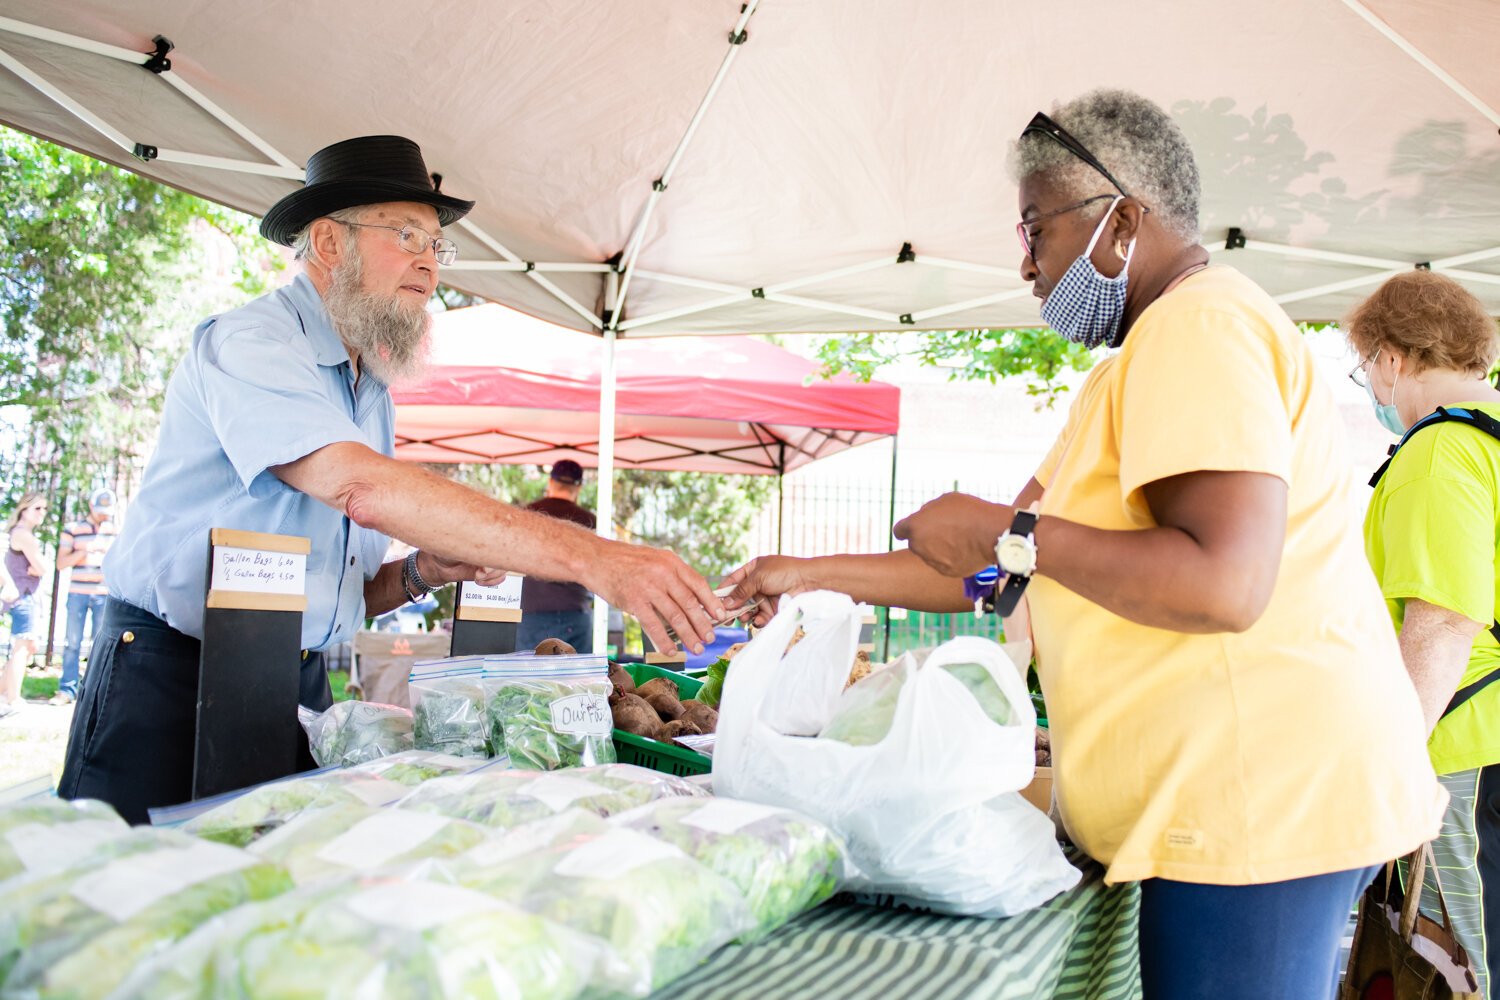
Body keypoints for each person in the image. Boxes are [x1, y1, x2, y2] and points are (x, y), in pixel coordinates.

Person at [725, 90, 1445, 998]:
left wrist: (1009, 533)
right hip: (1225, 804)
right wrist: (807, 574)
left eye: (1037, 229)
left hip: (1257, 806)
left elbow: (1224, 584)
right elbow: (996, 573)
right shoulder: (1132, 367)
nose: (1025, 264)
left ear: (1121, 223)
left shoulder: (1201, 326)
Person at [59, 135, 723, 824]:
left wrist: (422, 572)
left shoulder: (367, 387)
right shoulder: (252, 344)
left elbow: (332, 591)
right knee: (120, 902)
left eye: (439, 247)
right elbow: (363, 489)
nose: (430, 267)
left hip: (293, 680)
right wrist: (594, 558)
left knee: (270, 902)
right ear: (327, 242)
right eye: (409, 236)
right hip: (172, 678)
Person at [1347, 270, 1500, 994]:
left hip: (1458, 750)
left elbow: (1441, 622)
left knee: (1449, 966)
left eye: (1365, 368)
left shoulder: (1442, 452)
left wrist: (1390, 762)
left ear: (1392, 358)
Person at [518, 460, 597, 652]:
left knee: (527, 680)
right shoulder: (588, 520)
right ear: (578, 487)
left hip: (531, 612)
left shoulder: (529, 513)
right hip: (574, 610)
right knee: (579, 680)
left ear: (551, 482)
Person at [52, 487, 118, 706]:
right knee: (72, 643)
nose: (103, 515)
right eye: (101, 510)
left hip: (103, 594)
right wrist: (85, 550)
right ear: (91, 505)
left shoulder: (115, 530)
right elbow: (61, 563)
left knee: (99, 644)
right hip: (78, 594)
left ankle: (93, 691)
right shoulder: (73, 529)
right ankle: (67, 689)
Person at [0, 492, 47, 719]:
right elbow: (43, 567)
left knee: (25, 648)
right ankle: (13, 699)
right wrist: (37, 567)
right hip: (23, 596)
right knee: (22, 648)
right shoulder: (22, 534)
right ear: (24, 509)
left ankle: (4, 695)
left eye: (44, 509)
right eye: (37, 508)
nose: (42, 514)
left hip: (22, 595)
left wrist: (37, 568)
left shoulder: (19, 533)